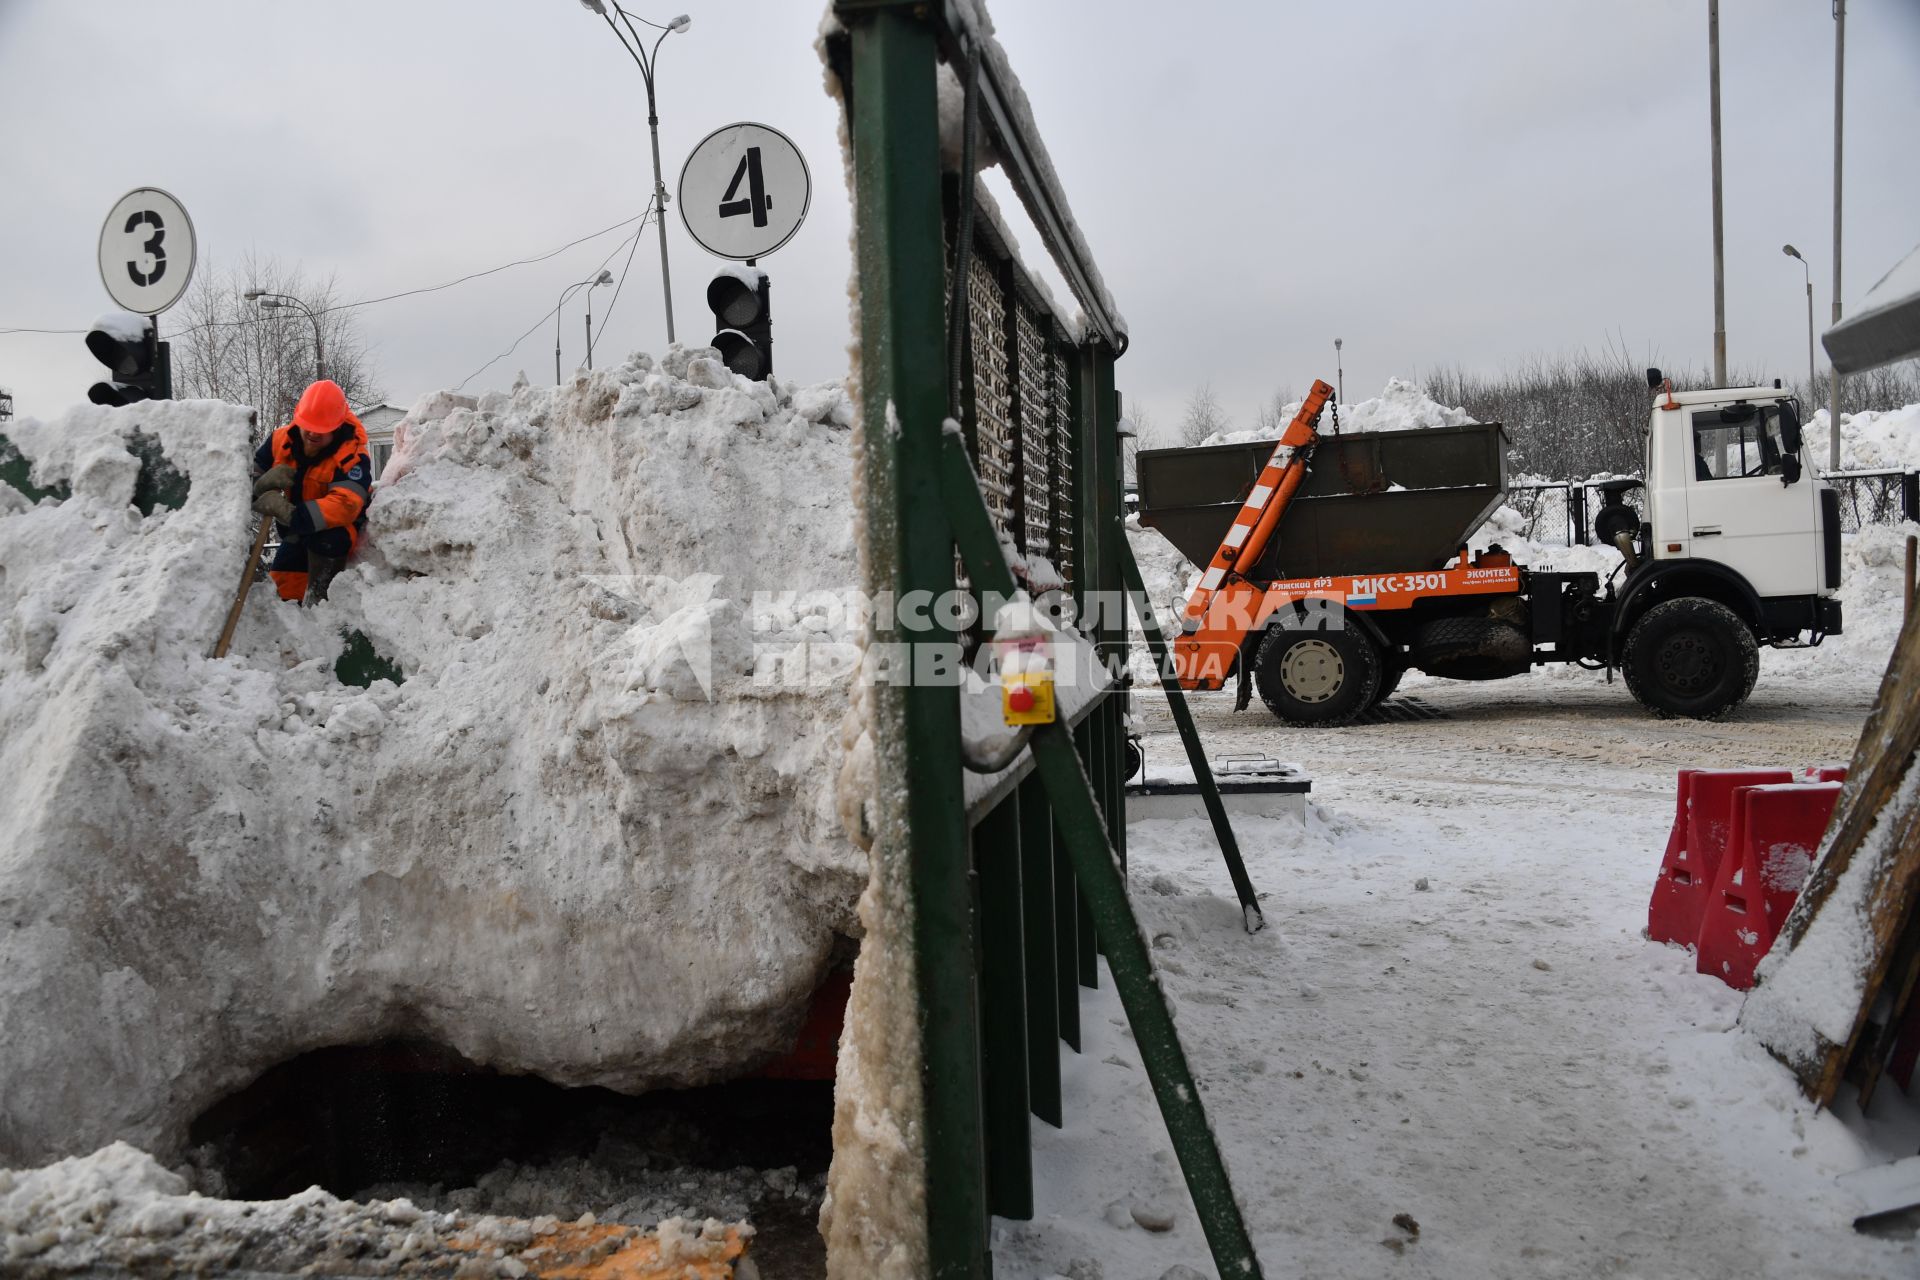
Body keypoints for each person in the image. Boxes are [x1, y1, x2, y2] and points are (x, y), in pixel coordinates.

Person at [250, 379, 372, 604]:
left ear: (337, 426)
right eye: (309, 427)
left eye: (322, 430)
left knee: (328, 539)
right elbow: (247, 475)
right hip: (297, 531)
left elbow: (346, 505)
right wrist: (259, 486)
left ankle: (323, 606)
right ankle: (290, 613)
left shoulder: (352, 455)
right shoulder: (280, 441)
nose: (314, 434)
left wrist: (292, 514)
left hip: (336, 534)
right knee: (281, 594)